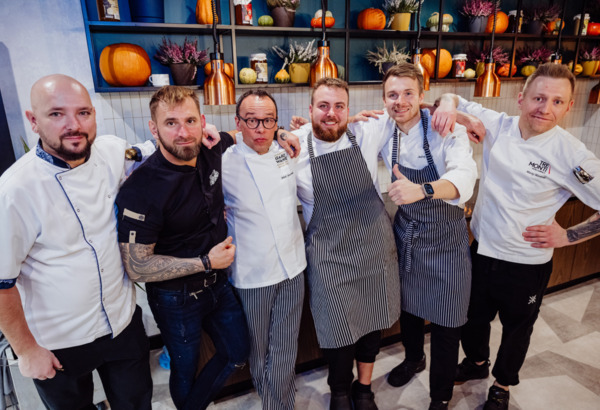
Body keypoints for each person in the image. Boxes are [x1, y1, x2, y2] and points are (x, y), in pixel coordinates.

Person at [440, 63, 600, 410]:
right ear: (521, 98)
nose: (545, 108)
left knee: (517, 329)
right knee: (472, 318)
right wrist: (452, 107)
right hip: (482, 250)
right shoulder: (499, 125)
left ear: (569, 106)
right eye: (539, 97)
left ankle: (502, 384)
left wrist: (569, 236)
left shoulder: (572, 155)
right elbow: (450, 96)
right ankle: (477, 363)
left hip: (526, 263)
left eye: (557, 101)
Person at [0, 74, 154, 409]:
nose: (74, 125)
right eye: (57, 114)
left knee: (137, 403)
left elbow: (151, 148)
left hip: (121, 323)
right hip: (58, 342)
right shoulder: (13, 191)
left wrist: (219, 134)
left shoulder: (111, 150)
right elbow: (1, 283)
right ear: (33, 121)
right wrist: (26, 351)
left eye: (83, 113)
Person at [115, 86, 250, 410]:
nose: (183, 132)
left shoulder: (210, 148)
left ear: (203, 121)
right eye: (171, 123)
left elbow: (242, 130)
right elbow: (137, 266)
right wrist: (206, 262)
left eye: (190, 120)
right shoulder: (141, 188)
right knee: (185, 370)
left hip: (218, 285)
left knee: (237, 353)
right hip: (175, 298)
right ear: (153, 128)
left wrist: (285, 131)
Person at [372, 63, 477, 410]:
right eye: (392, 94)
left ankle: (440, 397)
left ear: (421, 95)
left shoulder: (442, 129)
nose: (399, 101)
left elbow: (464, 176)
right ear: (384, 98)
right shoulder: (384, 128)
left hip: (446, 240)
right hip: (407, 234)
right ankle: (414, 357)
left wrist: (424, 189)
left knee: (448, 321)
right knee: (410, 308)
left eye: (407, 93)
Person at [293, 77, 401, 410]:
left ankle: (363, 389)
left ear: (348, 110)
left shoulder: (366, 132)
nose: (331, 113)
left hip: (373, 249)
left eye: (339, 106)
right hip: (329, 254)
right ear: (310, 110)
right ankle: (340, 390)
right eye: (323, 106)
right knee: (337, 328)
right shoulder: (292, 145)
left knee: (373, 321)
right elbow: (244, 142)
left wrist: (454, 108)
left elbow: (408, 106)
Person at [221, 89, 307, 410]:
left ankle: (279, 405)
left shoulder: (287, 150)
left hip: (293, 267)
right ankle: (278, 405)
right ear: (238, 123)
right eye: (251, 120)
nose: (260, 129)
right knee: (260, 351)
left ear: (276, 122)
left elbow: (324, 128)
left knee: (286, 347)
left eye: (267, 120)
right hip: (252, 273)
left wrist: (285, 131)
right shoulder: (223, 161)